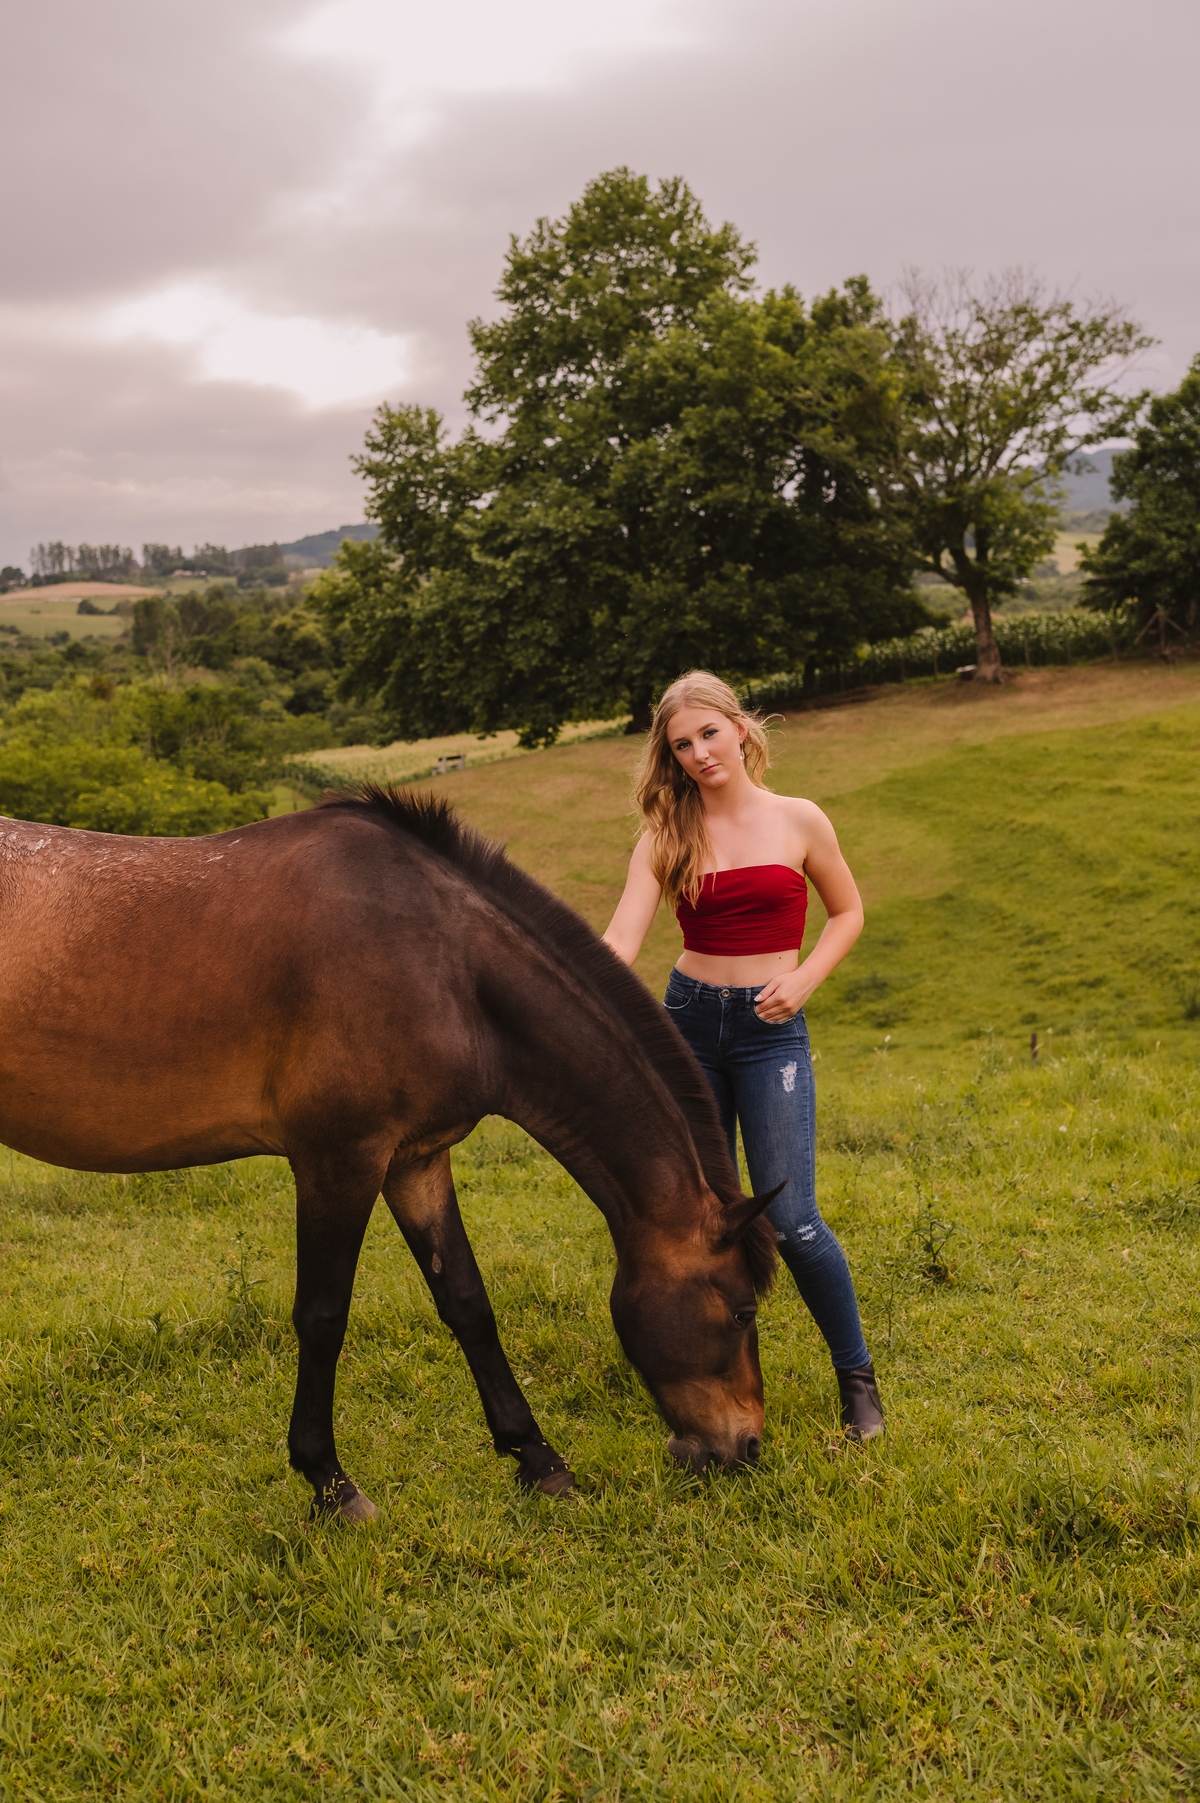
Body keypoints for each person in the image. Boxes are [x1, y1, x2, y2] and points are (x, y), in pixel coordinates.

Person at [603, 670, 884, 1442]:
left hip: (771, 1031)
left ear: (740, 726)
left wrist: (804, 978)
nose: (698, 753)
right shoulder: (666, 834)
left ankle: (856, 1378)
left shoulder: (799, 820)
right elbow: (621, 941)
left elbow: (848, 911)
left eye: (708, 734)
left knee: (791, 1220)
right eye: (681, 744)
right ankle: (708, 1374)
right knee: (694, 1223)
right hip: (687, 1028)